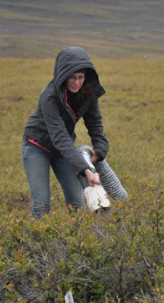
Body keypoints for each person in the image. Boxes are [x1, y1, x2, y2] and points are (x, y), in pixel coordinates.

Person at [22, 46, 109, 219]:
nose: (76, 83)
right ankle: (41, 245)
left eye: (80, 77)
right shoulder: (50, 96)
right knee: (42, 205)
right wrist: (85, 169)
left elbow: (95, 124)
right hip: (37, 148)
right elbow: (59, 136)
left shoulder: (88, 92)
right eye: (72, 78)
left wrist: (99, 151)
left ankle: (77, 244)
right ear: (62, 76)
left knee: (77, 205)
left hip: (63, 151)